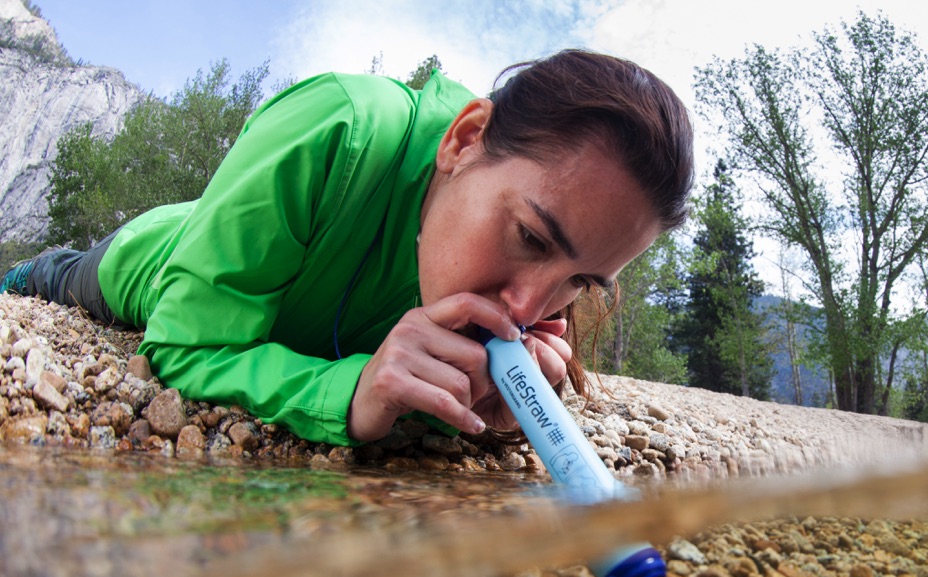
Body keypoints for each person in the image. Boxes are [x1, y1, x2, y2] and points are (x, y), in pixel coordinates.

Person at [1, 50, 694, 446]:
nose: (524, 307)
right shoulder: (338, 125)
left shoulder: (524, 305)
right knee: (66, 277)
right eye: (532, 236)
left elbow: (418, 387)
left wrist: (490, 409)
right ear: (462, 140)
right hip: (151, 257)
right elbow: (183, 347)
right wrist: (351, 390)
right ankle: (34, 267)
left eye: (580, 281)